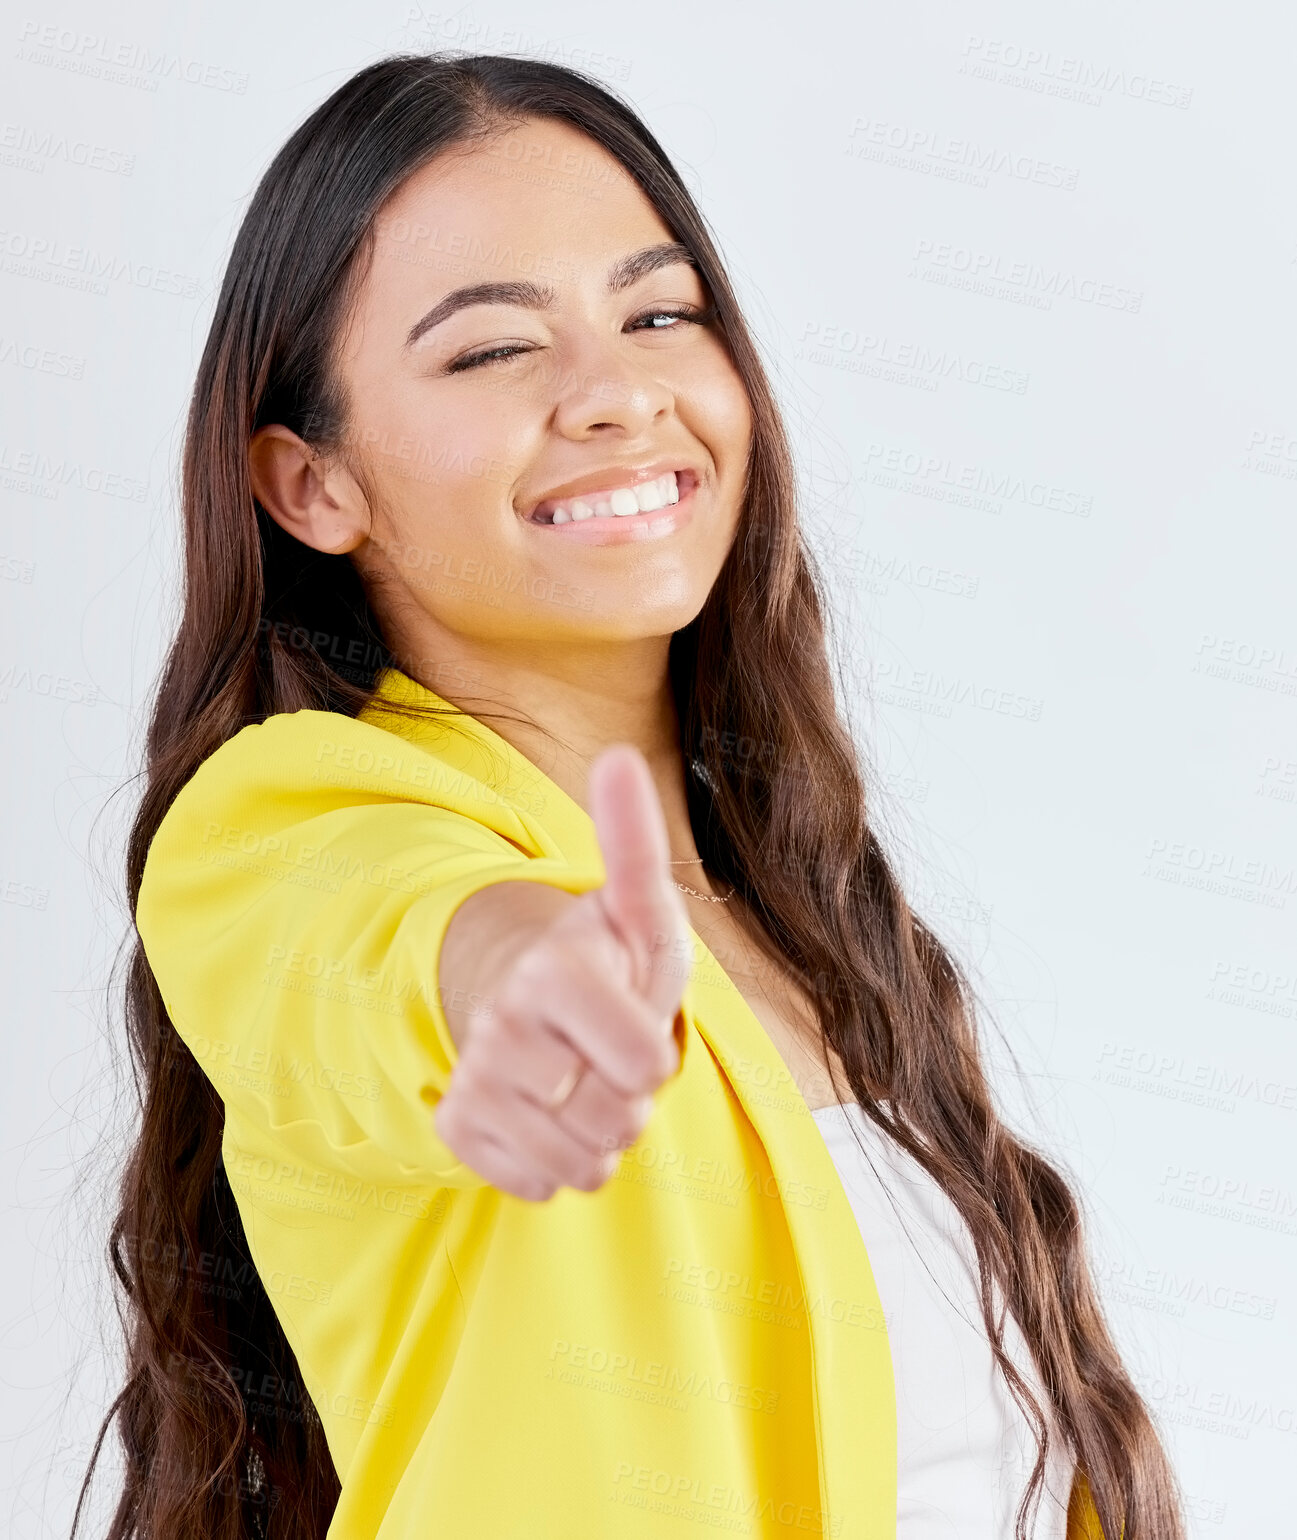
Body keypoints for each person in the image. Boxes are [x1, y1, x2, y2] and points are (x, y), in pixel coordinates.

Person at [76, 53, 1184, 1540]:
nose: (615, 395)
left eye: (660, 314)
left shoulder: (812, 917)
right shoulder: (283, 821)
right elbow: (376, 945)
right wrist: (511, 974)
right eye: (489, 352)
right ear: (309, 485)